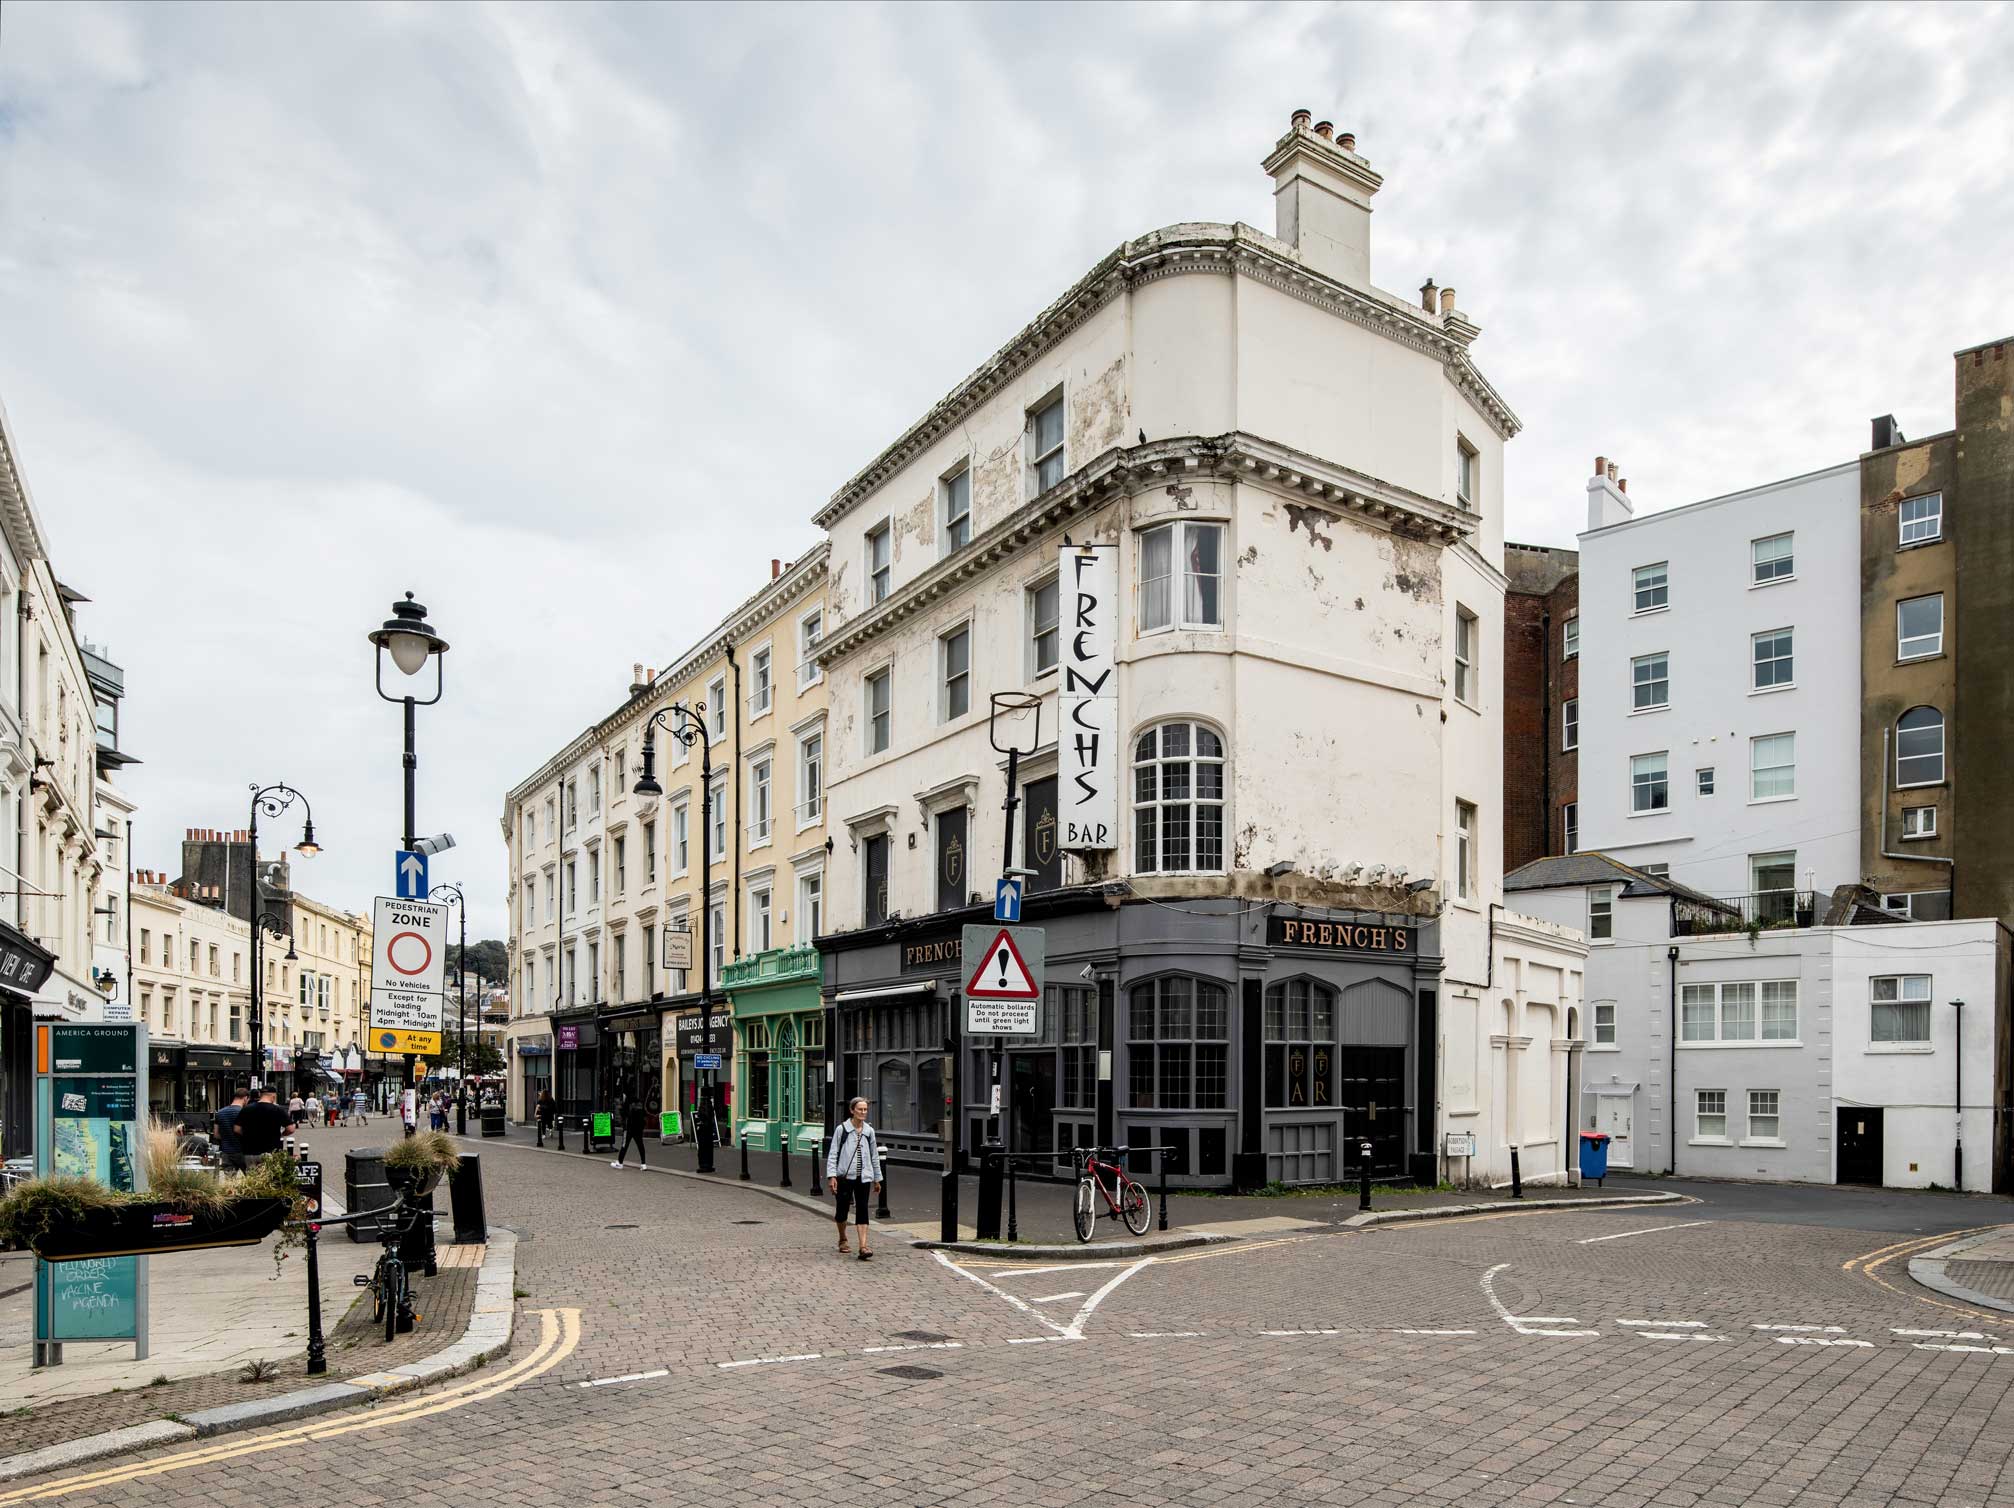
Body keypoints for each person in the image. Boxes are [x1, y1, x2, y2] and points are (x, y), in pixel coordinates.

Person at [825, 1097, 882, 1261]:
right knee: (842, 1210)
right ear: (852, 1110)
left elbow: (874, 1156)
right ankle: (843, 1238)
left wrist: (877, 1178)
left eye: (865, 1110)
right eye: (860, 1109)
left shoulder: (869, 1131)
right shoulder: (842, 1129)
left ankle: (863, 1246)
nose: (863, 1112)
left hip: (864, 1177)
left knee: (863, 1209)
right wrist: (832, 1176)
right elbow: (833, 1153)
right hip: (845, 1177)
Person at [236, 1087, 287, 1161]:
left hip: (249, 1151)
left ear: (261, 1095)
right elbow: (290, 1128)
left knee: (251, 1172)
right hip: (270, 1150)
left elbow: (236, 1129)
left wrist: (247, 1135)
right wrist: (281, 1134)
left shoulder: (246, 1109)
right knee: (268, 1172)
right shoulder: (278, 1109)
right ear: (273, 1096)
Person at [214, 1087, 249, 1172]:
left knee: (229, 1181)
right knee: (251, 1179)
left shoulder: (220, 1113)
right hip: (242, 1152)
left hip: (226, 1152)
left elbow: (216, 1134)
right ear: (245, 1098)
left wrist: (226, 1138)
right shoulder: (245, 1112)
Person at [612, 1094, 649, 1169]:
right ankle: (643, 1164)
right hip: (638, 1129)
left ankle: (620, 1162)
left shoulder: (627, 1105)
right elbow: (645, 1115)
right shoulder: (640, 1105)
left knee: (624, 1145)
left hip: (629, 1129)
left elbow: (624, 1115)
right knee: (640, 1145)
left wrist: (621, 1109)